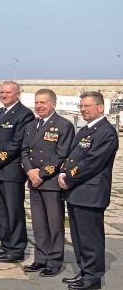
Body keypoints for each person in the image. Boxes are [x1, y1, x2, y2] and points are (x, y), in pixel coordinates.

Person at [58, 92, 119, 290]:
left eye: (88, 106)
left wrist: (68, 177)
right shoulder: (86, 130)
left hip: (90, 193)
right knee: (78, 237)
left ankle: (93, 278)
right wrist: (63, 171)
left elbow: (92, 162)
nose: (83, 109)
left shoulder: (106, 132)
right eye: (82, 106)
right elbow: (73, 156)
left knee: (90, 238)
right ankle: (84, 272)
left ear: (100, 107)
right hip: (77, 192)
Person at [21, 89, 74, 277]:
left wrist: (41, 174)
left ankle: (54, 260)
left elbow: (61, 154)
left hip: (50, 182)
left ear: (53, 104)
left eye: (43, 102)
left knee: (54, 224)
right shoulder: (30, 126)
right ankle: (41, 258)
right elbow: (24, 151)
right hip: (34, 182)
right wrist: (29, 170)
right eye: (37, 102)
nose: (39, 106)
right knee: (38, 223)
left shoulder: (64, 125)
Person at [0, 81, 35, 263]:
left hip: (11, 171)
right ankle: (5, 244)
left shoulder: (24, 114)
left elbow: (17, 142)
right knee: (0, 211)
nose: (4, 95)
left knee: (14, 212)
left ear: (17, 94)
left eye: (8, 92)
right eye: (2, 92)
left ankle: (17, 248)